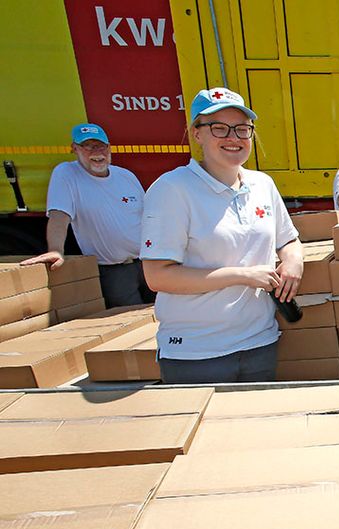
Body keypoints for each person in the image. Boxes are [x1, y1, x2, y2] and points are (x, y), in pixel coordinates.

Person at [141, 87, 303, 384]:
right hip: (197, 354)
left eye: (242, 129)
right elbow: (158, 277)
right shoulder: (172, 190)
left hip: (259, 343)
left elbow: (288, 240)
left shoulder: (262, 184)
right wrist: (241, 275)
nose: (233, 138)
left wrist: (293, 261)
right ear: (197, 134)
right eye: (219, 128)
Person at [21, 123, 155, 307]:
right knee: (132, 322)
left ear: (109, 148)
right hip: (114, 272)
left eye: (101, 146)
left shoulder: (126, 176)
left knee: (167, 315)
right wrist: (56, 250)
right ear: (74, 149)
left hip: (148, 263)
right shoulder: (66, 174)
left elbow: (149, 217)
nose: (96, 152)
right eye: (88, 146)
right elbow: (59, 216)